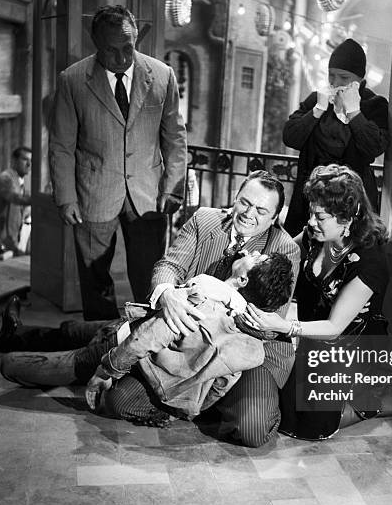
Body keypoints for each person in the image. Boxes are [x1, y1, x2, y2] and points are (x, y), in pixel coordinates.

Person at [105, 170, 300, 446]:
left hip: (248, 353)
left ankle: (204, 402)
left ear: (274, 218)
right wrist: (168, 295)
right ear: (236, 197)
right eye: (244, 202)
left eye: (260, 210)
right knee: (118, 399)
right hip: (185, 343)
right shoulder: (204, 219)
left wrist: (225, 299)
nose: (248, 213)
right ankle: (192, 402)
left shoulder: (284, 249)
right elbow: (168, 266)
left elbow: (267, 324)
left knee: (252, 429)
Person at [0, 251, 293, 424]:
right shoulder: (246, 332)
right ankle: (13, 335)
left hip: (126, 342)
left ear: (243, 280)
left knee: (60, 359)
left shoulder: (206, 292)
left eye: (257, 257)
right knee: (73, 330)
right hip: (127, 329)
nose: (252, 252)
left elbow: (150, 336)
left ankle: (10, 357)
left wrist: (107, 369)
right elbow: (217, 388)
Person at [243, 164, 392, 441]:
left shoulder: (370, 262)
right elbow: (282, 255)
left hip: (351, 349)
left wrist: (283, 325)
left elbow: (334, 327)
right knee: (287, 416)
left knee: (312, 426)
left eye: (321, 217)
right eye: (311, 212)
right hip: (312, 345)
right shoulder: (313, 236)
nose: (312, 222)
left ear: (347, 218)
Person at [49, 5, 187, 320]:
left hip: (148, 195)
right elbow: (61, 145)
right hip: (92, 192)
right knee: (95, 279)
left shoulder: (162, 75)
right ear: (95, 42)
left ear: (135, 38)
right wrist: (66, 197)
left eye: (128, 47)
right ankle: (100, 345)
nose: (122, 58)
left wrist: (174, 187)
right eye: (112, 50)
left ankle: (148, 342)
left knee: (151, 278)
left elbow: (175, 138)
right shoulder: (72, 80)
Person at [283, 39, 389, 236]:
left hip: (350, 202)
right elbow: (290, 137)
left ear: (359, 79)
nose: (335, 83)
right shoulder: (316, 100)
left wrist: (355, 112)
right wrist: (317, 110)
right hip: (311, 199)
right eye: (331, 75)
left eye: (344, 77)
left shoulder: (374, 105)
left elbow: (373, 148)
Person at [0, 147, 32, 257]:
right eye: (25, 159)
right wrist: (37, 199)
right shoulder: (6, 178)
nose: (29, 164)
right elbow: (15, 198)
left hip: (9, 244)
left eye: (31, 161)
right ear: (14, 160)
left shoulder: (19, 182)